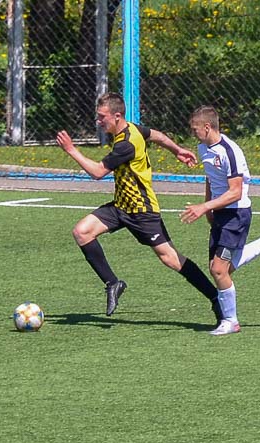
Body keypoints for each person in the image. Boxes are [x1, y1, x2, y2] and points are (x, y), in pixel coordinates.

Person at [56, 92, 221, 322]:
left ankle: (215, 297)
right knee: (82, 232)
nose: (98, 121)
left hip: (142, 211)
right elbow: (156, 135)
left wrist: (71, 150)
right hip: (120, 207)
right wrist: (177, 150)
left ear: (116, 116)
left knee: (171, 259)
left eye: (101, 117)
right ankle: (113, 283)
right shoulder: (132, 129)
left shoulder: (126, 144)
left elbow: (97, 172)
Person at [180, 105, 260, 336]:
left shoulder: (230, 152)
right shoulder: (203, 147)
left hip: (236, 214)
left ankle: (231, 321)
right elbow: (210, 178)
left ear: (207, 126)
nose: (193, 133)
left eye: (195, 129)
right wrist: (209, 205)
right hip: (220, 212)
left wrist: (204, 207)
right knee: (221, 269)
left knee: (219, 269)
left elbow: (235, 192)